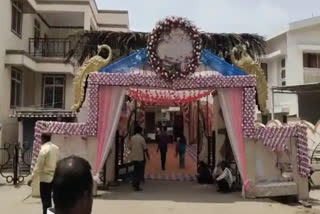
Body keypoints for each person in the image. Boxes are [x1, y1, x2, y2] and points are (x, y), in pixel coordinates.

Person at [28, 133, 60, 214]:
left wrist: (31, 179)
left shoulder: (44, 149)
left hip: (45, 179)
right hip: (55, 178)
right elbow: (59, 162)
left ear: (42, 139)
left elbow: (38, 167)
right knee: (57, 200)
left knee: (46, 202)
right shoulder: (56, 148)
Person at [128, 126, 149, 191]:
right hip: (140, 158)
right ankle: (137, 186)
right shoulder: (141, 138)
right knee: (139, 172)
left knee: (134, 171)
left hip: (133, 157)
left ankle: (134, 183)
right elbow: (145, 148)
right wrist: (147, 155)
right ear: (140, 131)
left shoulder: (132, 138)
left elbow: (129, 147)